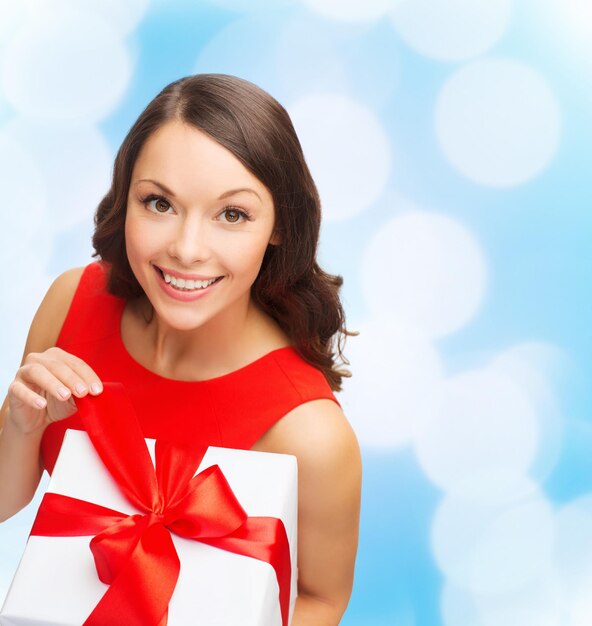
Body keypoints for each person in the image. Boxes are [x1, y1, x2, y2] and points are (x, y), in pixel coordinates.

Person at [0, 74, 361, 624]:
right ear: (126, 199)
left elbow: (321, 599)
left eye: (232, 214)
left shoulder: (308, 432)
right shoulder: (72, 301)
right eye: (159, 203)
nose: (187, 249)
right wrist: (19, 425)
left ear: (280, 226)